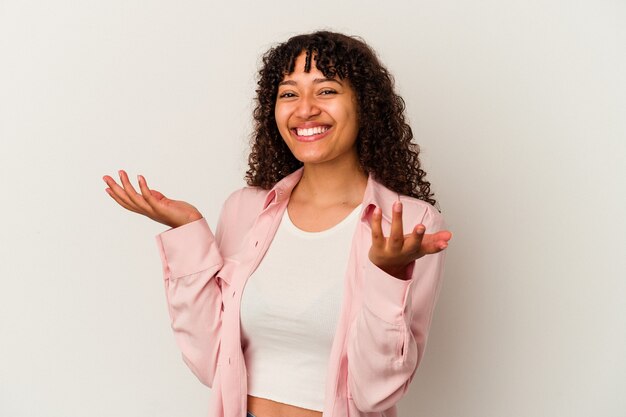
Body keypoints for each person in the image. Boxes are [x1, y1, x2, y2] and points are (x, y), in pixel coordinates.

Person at [103, 31, 452, 417]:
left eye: (326, 91)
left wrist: (388, 275)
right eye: (289, 94)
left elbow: (375, 393)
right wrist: (188, 232)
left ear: (365, 105)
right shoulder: (244, 210)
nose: (304, 110)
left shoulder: (408, 223)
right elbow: (211, 363)